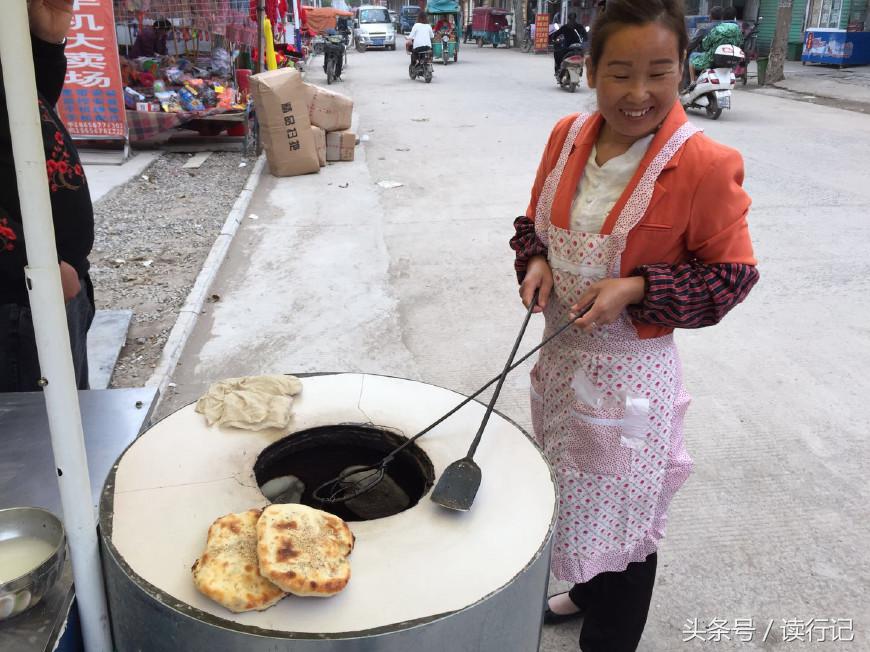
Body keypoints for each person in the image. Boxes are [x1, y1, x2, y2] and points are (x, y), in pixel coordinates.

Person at [510, 0, 759, 649]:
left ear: (684, 70)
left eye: (660, 71)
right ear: (589, 69)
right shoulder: (567, 138)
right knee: (569, 485)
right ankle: (587, 590)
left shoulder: (702, 163)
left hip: (631, 385)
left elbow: (729, 278)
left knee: (625, 515)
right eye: (620, 71)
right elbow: (533, 223)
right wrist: (536, 259)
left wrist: (639, 287)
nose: (639, 92)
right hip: (562, 365)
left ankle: (611, 637)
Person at [0, 0, 95, 392]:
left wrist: (47, 42)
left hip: (50, 284)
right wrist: (35, 265)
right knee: (39, 444)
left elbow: (26, 115)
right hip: (20, 295)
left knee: (71, 430)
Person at [688, 7, 742, 85]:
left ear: (710, 16)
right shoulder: (730, 28)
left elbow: (702, 45)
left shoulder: (706, 27)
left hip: (711, 58)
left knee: (692, 56)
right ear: (722, 17)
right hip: (726, 59)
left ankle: (692, 82)